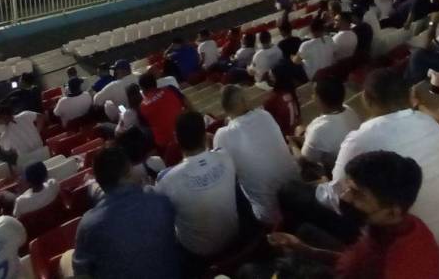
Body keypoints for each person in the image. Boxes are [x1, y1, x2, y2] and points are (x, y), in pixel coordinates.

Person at [281, 68, 439, 254]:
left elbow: (338, 194)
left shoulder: (361, 137)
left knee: (291, 191)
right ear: (410, 95)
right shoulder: (429, 121)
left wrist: (317, 183)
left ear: (365, 99)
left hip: (405, 250)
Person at [271, 151, 439, 279]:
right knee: (305, 231)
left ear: (392, 212)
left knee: (250, 272)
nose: (345, 196)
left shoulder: (375, 266)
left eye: (357, 194)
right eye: (348, 188)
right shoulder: (415, 227)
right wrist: (305, 249)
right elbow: (350, 260)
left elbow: (352, 265)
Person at [71, 147, 181, 279]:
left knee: (67, 258)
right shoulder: (159, 197)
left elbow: (81, 272)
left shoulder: (88, 224)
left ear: (99, 182)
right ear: (129, 170)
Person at [155, 112, 239, 260]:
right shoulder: (226, 156)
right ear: (204, 135)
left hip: (198, 251)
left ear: (176, 138)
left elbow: (161, 218)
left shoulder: (166, 180)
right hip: (235, 235)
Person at [214, 85, 298, 226]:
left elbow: (224, 173)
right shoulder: (264, 115)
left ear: (225, 109)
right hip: (297, 195)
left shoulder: (222, 135)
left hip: (270, 215)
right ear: (244, 101)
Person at [288, 78, 361, 174]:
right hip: (353, 159)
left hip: (338, 172)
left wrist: (291, 142)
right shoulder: (348, 109)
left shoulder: (319, 129)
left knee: (294, 150)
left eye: (314, 94)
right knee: (300, 129)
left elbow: (304, 161)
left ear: (319, 99)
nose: (312, 96)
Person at [0, 106, 45, 170]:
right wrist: (37, 132)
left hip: (27, 161)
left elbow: (7, 152)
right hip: (43, 152)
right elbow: (40, 117)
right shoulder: (25, 114)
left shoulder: (6, 135)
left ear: (3, 117)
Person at [138, 71, 185, 150]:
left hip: (166, 146)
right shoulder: (170, 89)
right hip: (186, 133)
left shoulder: (142, 107)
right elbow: (188, 104)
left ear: (142, 89)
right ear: (156, 83)